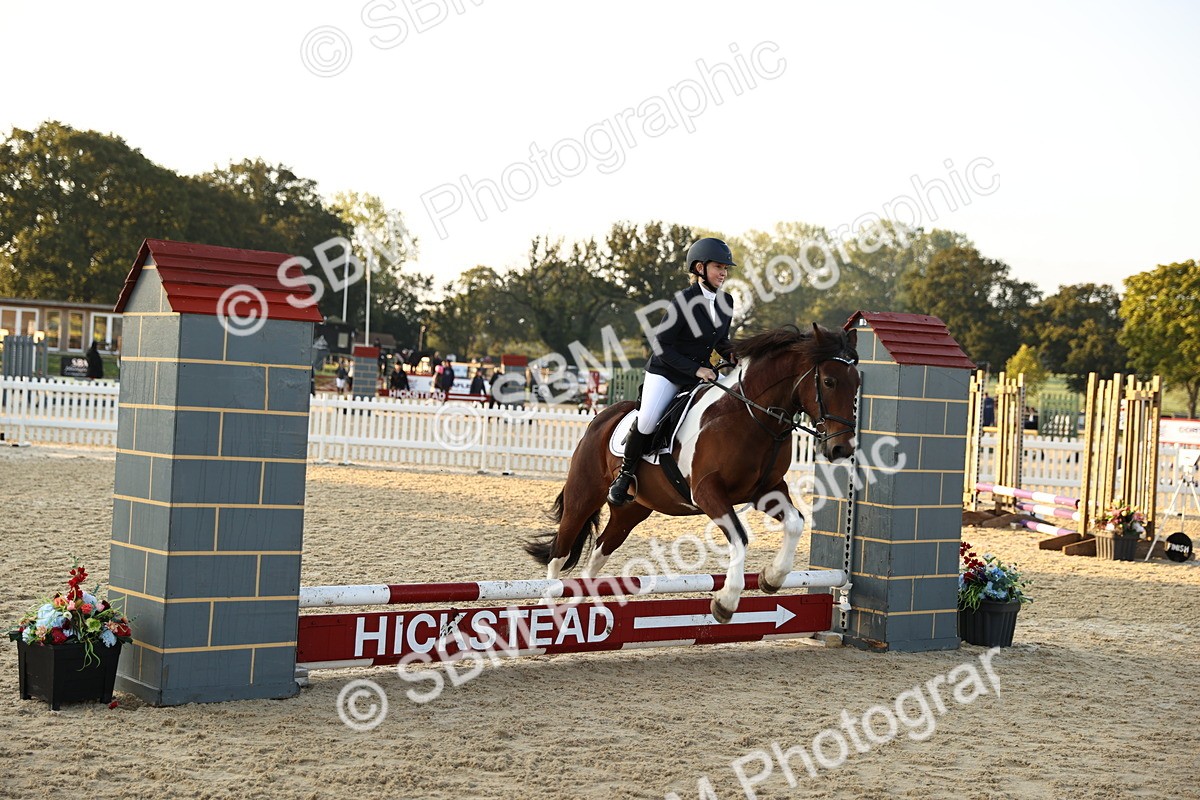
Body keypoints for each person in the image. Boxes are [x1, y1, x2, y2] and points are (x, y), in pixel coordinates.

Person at [608, 237, 737, 506]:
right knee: (647, 421)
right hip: (667, 372)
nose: (723, 273)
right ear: (700, 268)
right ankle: (625, 475)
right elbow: (662, 345)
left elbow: (721, 341)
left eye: (726, 268)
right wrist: (697, 369)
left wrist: (735, 356)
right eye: (718, 267)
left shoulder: (726, 301)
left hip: (702, 373)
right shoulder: (684, 301)